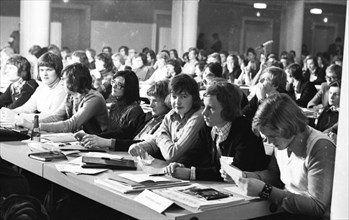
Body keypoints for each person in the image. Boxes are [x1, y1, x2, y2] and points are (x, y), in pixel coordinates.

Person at [222, 93, 336, 220]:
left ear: (288, 127)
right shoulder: (283, 141)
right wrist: (244, 176)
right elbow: (274, 175)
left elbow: (317, 207)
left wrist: (265, 191)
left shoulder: (320, 146)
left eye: (272, 136)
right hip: (289, 211)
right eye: (266, 137)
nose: (269, 143)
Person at [164, 82, 269, 181]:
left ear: (228, 110)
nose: (204, 113)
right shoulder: (209, 127)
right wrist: (179, 164)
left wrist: (192, 173)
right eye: (204, 106)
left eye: (210, 108)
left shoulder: (245, 131)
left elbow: (234, 171)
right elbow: (195, 152)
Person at [75, 80, 171, 151]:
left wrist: (106, 142)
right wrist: (94, 137)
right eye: (150, 101)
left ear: (168, 102)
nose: (150, 105)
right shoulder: (148, 117)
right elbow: (123, 132)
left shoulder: (168, 124)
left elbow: (144, 145)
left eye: (155, 101)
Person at [128, 74, 204, 162]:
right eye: (174, 97)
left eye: (184, 97)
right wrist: (139, 147)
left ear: (194, 98)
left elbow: (172, 154)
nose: (177, 102)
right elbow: (155, 141)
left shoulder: (198, 116)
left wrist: (161, 135)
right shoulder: (171, 114)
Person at [16, 63, 109, 134]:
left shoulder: (94, 98)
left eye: (64, 79)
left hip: (98, 142)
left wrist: (34, 126)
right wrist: (30, 123)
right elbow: (56, 117)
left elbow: (71, 124)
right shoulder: (71, 95)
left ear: (74, 80)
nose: (61, 82)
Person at [1, 52, 66, 122]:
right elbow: (27, 107)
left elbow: (51, 117)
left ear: (58, 71)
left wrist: (17, 116)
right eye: (41, 70)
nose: (44, 74)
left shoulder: (62, 89)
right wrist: (9, 113)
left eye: (49, 70)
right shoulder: (41, 88)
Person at [87, 70, 146, 139]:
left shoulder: (135, 110)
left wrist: (97, 137)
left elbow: (123, 135)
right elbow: (110, 132)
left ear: (128, 88)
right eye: (113, 82)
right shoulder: (114, 106)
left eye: (119, 85)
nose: (114, 86)